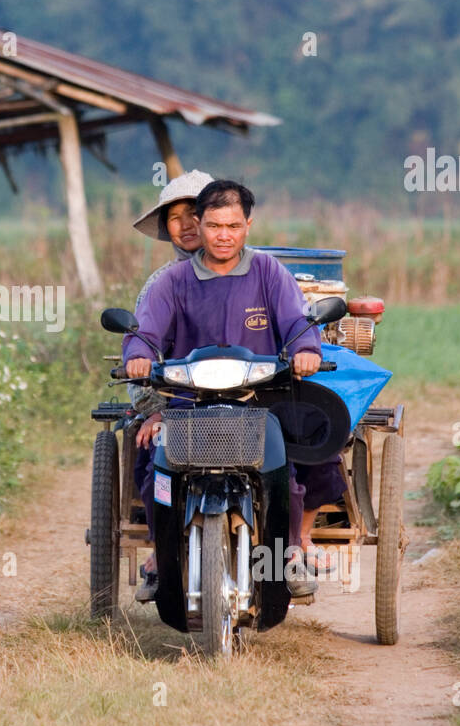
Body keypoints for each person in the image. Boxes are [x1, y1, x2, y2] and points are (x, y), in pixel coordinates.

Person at [123, 180, 321, 618]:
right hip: (188, 404)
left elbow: (298, 321)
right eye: (214, 225)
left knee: (285, 474)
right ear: (201, 225)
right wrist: (138, 355)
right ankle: (163, 556)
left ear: (248, 225)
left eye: (233, 225)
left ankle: (286, 558)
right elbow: (146, 331)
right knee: (152, 471)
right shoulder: (172, 281)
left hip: (259, 400)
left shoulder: (269, 272)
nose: (224, 235)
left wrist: (307, 348)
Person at [126, 170, 214, 601]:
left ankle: (285, 549)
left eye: (195, 212)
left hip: (249, 399)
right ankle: (163, 550)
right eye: (174, 217)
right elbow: (140, 349)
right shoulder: (159, 285)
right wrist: (154, 408)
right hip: (178, 404)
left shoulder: (255, 271)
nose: (186, 224)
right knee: (152, 464)